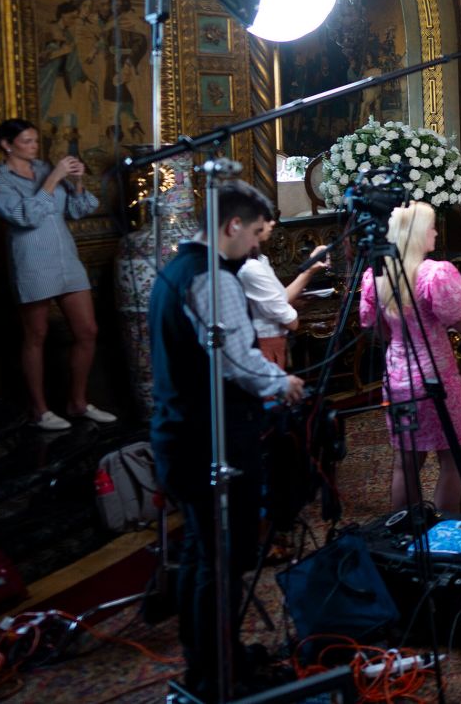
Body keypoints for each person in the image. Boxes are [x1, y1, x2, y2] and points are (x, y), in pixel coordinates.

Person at [149, 179, 305, 701]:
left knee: (202, 557)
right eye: (256, 233)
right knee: (221, 562)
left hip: (180, 434)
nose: (258, 245)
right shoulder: (211, 280)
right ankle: (219, 676)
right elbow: (237, 359)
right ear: (232, 225)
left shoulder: (174, 268)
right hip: (211, 440)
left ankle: (214, 662)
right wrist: (280, 383)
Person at [360, 201, 461, 514]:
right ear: (419, 233)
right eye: (432, 226)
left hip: (396, 377)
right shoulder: (435, 273)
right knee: (453, 460)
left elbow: (376, 327)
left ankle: (405, 535)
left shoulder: (376, 276)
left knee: (405, 463)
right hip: (434, 377)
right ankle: (442, 538)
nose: (436, 232)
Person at [0, 118, 112, 430]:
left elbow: (79, 209)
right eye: (27, 141)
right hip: (32, 261)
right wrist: (53, 179)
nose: (34, 146)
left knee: (88, 330)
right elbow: (24, 216)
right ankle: (39, 409)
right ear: (7, 145)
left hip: (66, 259)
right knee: (36, 335)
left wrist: (78, 182)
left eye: (35, 140)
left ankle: (78, 402)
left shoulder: (45, 169)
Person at [238, 222, 329, 368]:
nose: (272, 222)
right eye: (265, 218)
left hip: (272, 337)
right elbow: (289, 319)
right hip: (264, 340)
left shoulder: (259, 259)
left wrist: (310, 269)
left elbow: (277, 298)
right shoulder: (250, 267)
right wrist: (309, 271)